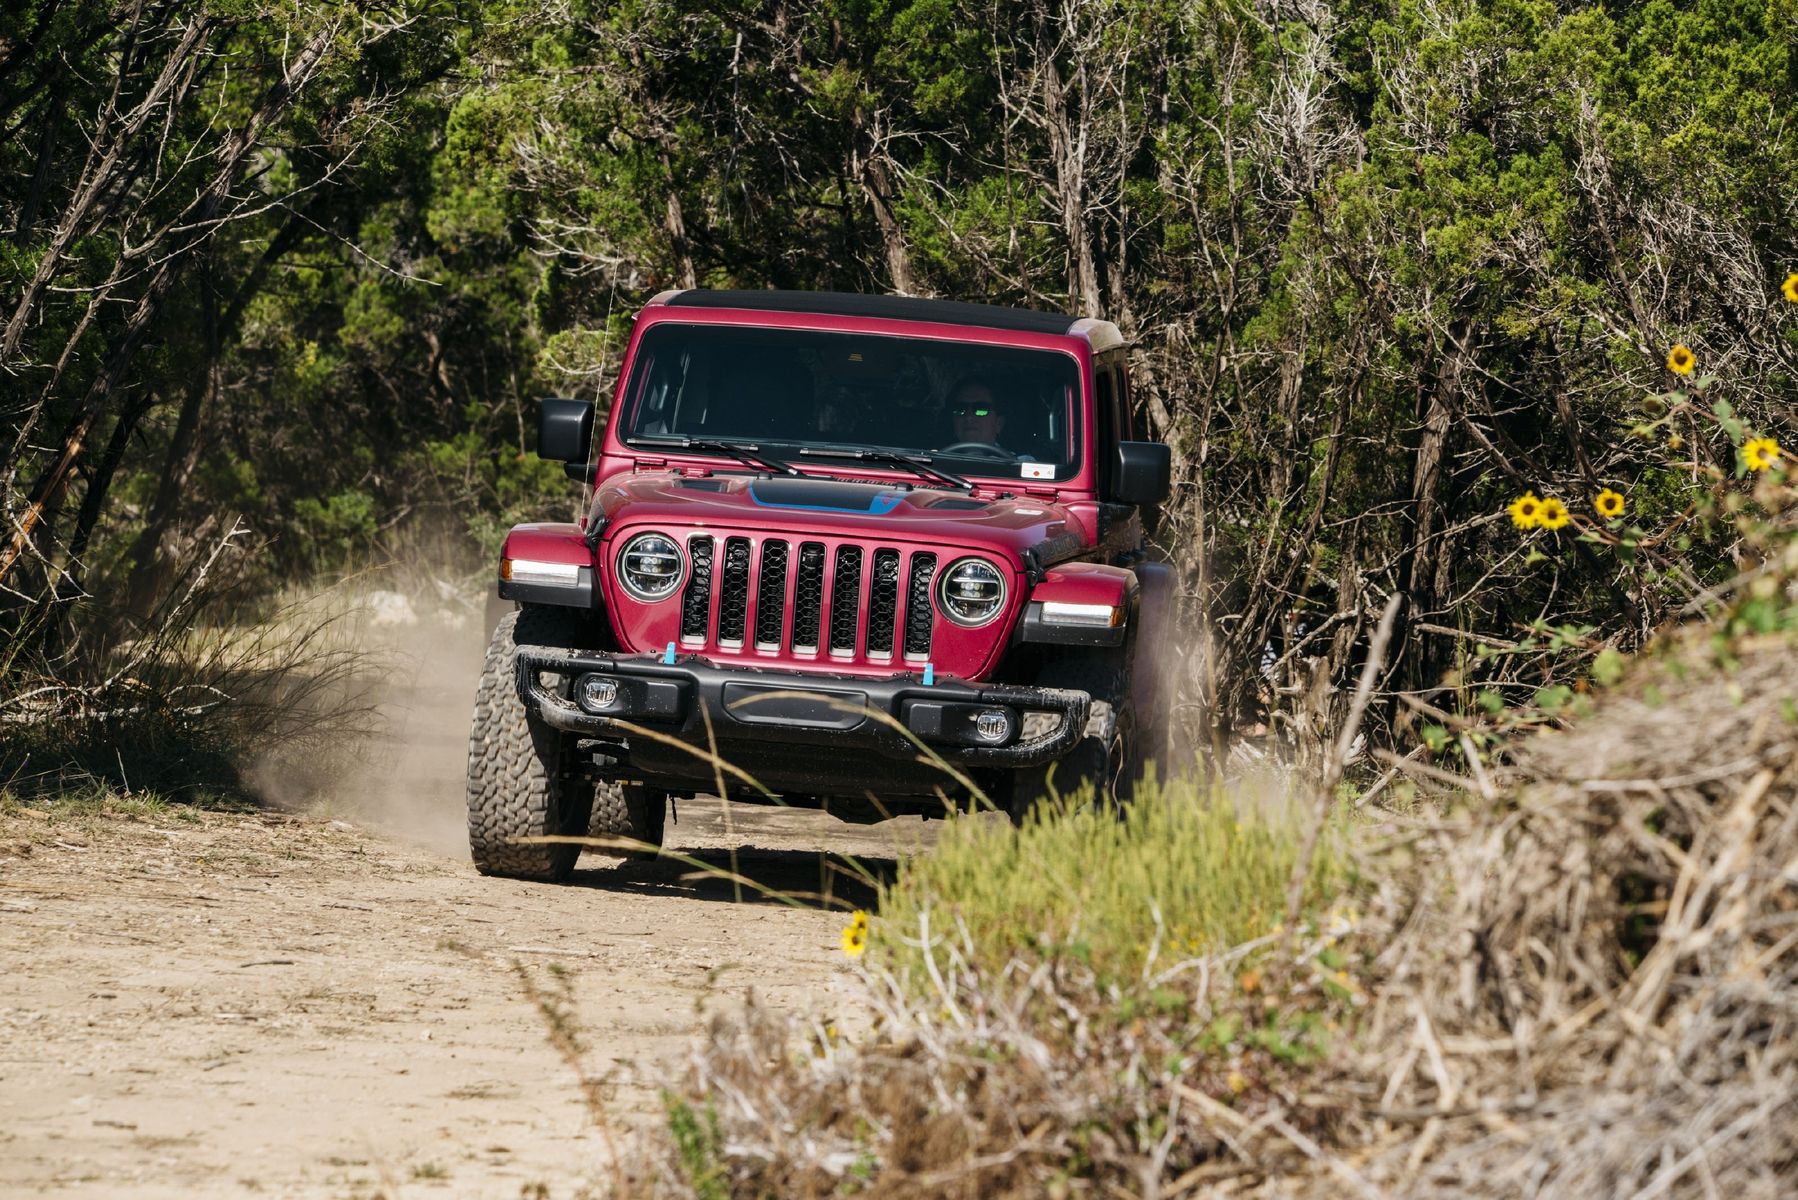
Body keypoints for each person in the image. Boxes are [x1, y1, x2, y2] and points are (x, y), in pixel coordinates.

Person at [946, 377, 1011, 453]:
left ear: (999, 423)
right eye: (960, 410)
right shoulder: (935, 461)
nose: (968, 417)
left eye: (981, 409)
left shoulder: (1020, 463)